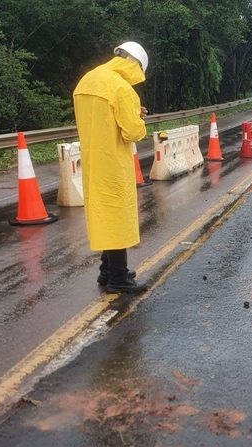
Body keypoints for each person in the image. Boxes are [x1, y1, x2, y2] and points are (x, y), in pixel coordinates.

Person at [73, 42, 150, 293]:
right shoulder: (122, 88)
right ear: (136, 65)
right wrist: (138, 118)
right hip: (113, 162)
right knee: (117, 218)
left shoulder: (87, 80)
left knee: (103, 215)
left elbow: (103, 116)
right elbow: (132, 132)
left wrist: (131, 112)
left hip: (93, 161)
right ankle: (119, 278)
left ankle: (106, 271)